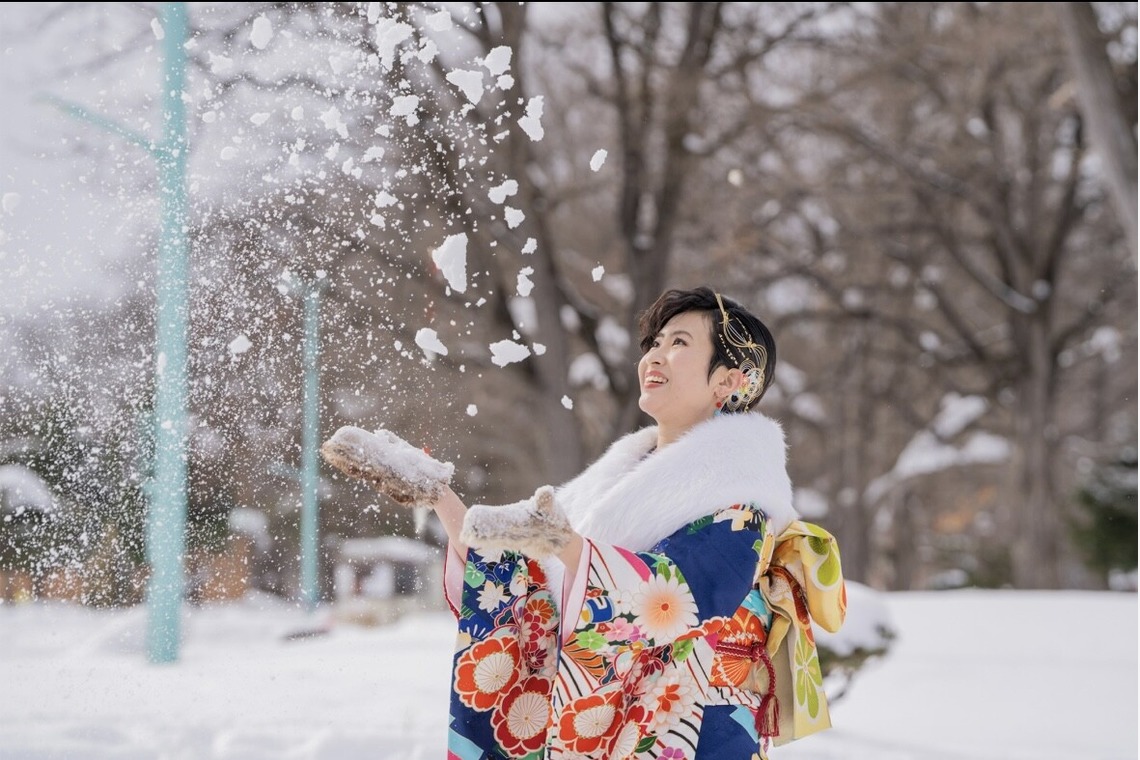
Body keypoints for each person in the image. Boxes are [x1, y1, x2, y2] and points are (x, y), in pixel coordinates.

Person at [321, 286, 846, 759]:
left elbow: (674, 599)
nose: (655, 356)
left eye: (680, 343)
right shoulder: (611, 485)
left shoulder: (742, 505)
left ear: (730, 380)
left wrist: (567, 546)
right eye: (654, 342)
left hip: (695, 731)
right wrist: (436, 492)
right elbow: (526, 588)